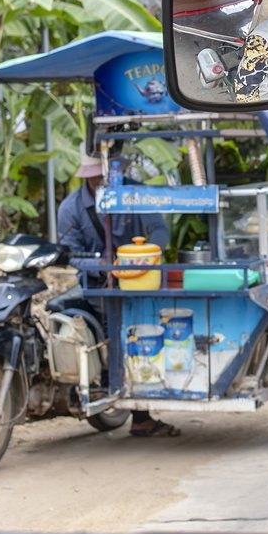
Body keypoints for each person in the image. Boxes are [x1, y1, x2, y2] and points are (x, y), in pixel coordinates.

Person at [51, 154, 179, 439]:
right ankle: (134, 410)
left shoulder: (135, 192)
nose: (104, 181)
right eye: (98, 178)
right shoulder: (70, 208)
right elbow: (71, 254)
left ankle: (142, 409)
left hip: (139, 281)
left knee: (143, 330)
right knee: (115, 330)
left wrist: (144, 257)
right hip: (97, 284)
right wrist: (104, 267)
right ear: (88, 178)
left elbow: (159, 230)